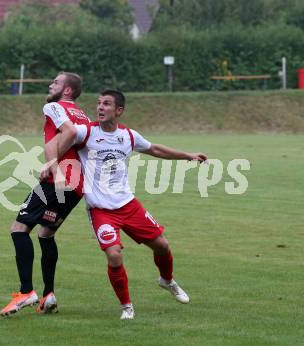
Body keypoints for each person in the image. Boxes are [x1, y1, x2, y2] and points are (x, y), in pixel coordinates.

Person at [44, 90, 208, 319]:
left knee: (162, 245)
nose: (100, 107)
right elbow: (52, 144)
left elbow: (155, 149)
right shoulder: (86, 131)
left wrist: (187, 155)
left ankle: (167, 280)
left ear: (119, 110)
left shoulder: (128, 136)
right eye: (99, 103)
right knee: (114, 255)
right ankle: (126, 307)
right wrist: (52, 166)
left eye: (107, 104)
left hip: (128, 205)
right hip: (101, 210)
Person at [0, 72, 90, 316]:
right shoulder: (83, 114)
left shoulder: (53, 106)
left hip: (58, 180)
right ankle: (48, 295)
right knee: (45, 234)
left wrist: (52, 164)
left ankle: (26, 292)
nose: (51, 85)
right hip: (77, 184)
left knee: (19, 229)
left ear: (67, 91)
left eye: (56, 82)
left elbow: (68, 132)